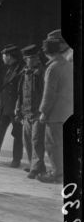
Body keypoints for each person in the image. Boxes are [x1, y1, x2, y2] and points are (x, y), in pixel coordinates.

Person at [37, 35, 73, 184]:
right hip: (67, 111)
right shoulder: (68, 64)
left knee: (53, 145)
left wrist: (43, 111)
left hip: (55, 114)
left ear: (46, 52)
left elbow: (49, 94)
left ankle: (56, 174)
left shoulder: (52, 68)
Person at [14, 44, 46, 179]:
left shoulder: (42, 73)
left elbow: (46, 93)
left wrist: (43, 111)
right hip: (26, 112)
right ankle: (37, 165)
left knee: (37, 140)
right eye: (28, 58)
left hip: (38, 113)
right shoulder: (24, 72)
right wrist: (18, 109)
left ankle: (36, 168)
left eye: (34, 57)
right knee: (27, 140)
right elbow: (20, 93)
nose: (32, 60)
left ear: (38, 58)